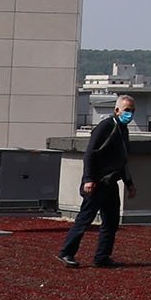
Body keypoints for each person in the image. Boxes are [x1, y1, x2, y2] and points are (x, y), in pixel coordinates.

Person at [58, 94, 139, 268]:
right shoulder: (106, 126)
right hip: (96, 183)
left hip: (110, 184)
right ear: (117, 110)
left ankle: (102, 257)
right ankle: (66, 252)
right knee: (85, 219)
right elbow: (89, 154)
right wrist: (88, 179)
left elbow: (122, 160)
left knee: (111, 222)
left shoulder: (123, 131)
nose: (130, 114)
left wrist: (129, 183)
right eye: (127, 110)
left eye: (132, 111)